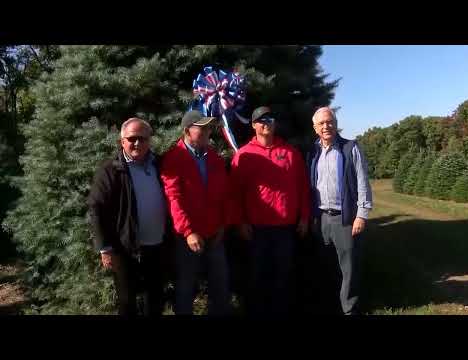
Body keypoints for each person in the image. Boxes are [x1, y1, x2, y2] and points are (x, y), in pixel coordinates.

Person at [229, 106, 310, 316]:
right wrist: (240, 222)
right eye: (261, 120)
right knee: (257, 277)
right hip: (256, 229)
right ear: (254, 125)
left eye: (270, 119)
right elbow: (235, 193)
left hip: (285, 228)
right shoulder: (244, 155)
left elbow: (302, 186)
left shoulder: (290, 153)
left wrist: (304, 217)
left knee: (283, 276)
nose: (266, 123)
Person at [88, 117, 170, 316]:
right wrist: (104, 247)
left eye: (142, 138)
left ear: (149, 140)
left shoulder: (159, 164)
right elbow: (96, 207)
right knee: (127, 301)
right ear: (122, 141)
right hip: (124, 247)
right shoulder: (111, 169)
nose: (137, 143)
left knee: (156, 298)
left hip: (157, 244)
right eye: (132, 138)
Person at [161, 110, 230, 315]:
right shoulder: (174, 158)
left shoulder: (214, 158)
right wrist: (188, 231)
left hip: (214, 234)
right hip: (188, 238)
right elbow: (174, 198)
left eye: (208, 127)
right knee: (186, 287)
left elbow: (223, 194)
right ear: (186, 131)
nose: (208, 131)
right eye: (202, 127)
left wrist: (222, 225)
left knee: (220, 285)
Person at [306, 107, 373, 315]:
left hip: (345, 218)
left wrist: (361, 215)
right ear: (315, 128)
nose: (326, 126)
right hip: (321, 218)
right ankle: (331, 306)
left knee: (348, 268)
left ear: (335, 123)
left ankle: (349, 309)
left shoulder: (349, 148)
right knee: (327, 266)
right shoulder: (313, 151)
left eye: (330, 121)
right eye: (322, 123)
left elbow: (363, 183)